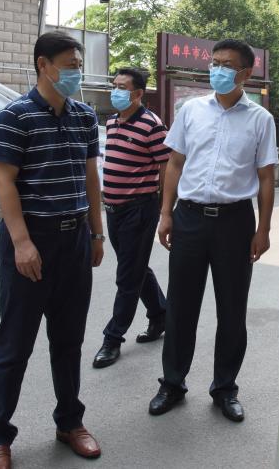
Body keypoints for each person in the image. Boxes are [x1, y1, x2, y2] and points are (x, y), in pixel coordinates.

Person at [0, 32, 106, 469]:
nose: (76, 72)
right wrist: (21, 243)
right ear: (43, 65)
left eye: (78, 65)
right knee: (14, 343)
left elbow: (91, 177)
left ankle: (70, 422)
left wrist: (97, 234)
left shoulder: (84, 116)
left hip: (75, 240)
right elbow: (5, 182)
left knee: (69, 340)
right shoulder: (14, 116)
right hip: (32, 239)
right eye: (70, 65)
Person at [149, 38, 278, 423]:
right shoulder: (191, 110)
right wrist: (166, 213)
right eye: (214, 62)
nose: (217, 70)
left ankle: (225, 388)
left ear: (245, 73)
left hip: (235, 223)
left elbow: (266, 178)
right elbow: (175, 163)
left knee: (232, 310)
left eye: (226, 65)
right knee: (181, 307)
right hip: (189, 218)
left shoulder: (260, 119)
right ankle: (173, 383)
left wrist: (263, 229)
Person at [92, 67, 170, 368]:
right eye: (114, 85)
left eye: (122, 87)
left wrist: (165, 208)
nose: (116, 91)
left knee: (127, 276)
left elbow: (166, 166)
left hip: (139, 209)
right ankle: (161, 315)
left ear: (138, 93)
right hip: (114, 209)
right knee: (135, 268)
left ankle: (112, 338)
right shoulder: (112, 121)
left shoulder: (152, 125)